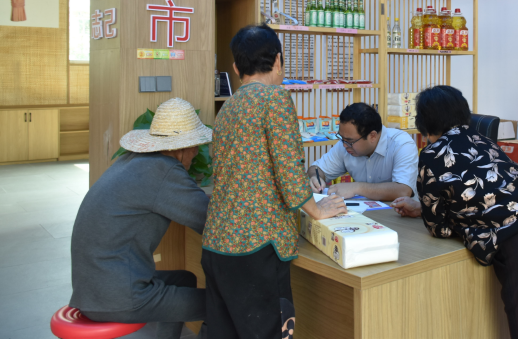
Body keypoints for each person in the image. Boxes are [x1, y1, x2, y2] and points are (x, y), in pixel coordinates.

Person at [392, 86, 518, 339]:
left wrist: (432, 213)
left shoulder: (432, 154)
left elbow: (439, 228)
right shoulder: (483, 140)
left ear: (424, 124)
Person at [201, 23, 347, 339]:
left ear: (236, 68)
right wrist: (318, 210)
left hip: (216, 242)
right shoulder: (274, 98)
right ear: (279, 60)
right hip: (257, 246)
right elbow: (289, 170)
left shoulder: (227, 107)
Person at [70, 97, 213, 339]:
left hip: (91, 290)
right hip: (119, 298)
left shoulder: (130, 161)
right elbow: (213, 223)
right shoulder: (164, 171)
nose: (197, 153)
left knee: (184, 278)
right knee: (222, 304)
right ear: (183, 148)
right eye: (196, 146)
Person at [307, 102, 419, 201]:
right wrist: (315, 178)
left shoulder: (401, 144)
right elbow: (316, 168)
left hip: (397, 214)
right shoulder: (345, 144)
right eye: (342, 138)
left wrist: (357, 187)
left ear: (372, 136)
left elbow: (404, 190)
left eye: (350, 141)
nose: (345, 145)